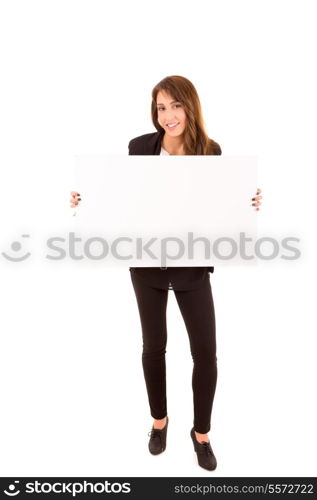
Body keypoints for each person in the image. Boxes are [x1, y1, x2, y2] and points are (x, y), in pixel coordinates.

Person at [70, 75, 262, 471]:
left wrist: (247, 203)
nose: (169, 115)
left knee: (205, 353)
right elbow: (120, 196)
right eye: (161, 107)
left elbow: (219, 207)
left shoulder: (210, 152)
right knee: (153, 346)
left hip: (191, 269)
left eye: (176, 106)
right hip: (147, 266)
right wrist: (84, 198)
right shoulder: (140, 148)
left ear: (190, 107)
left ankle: (201, 433)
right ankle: (159, 422)